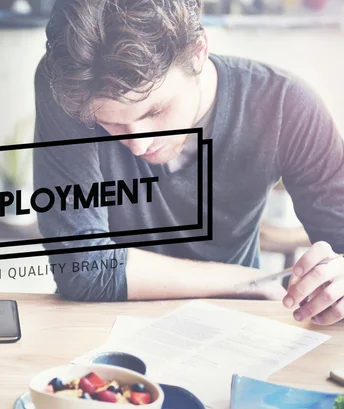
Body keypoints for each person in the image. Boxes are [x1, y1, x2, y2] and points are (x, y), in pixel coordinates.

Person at [32, 0, 344, 325]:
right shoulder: (72, 86)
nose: (138, 145)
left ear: (198, 52)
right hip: (104, 329)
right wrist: (242, 281)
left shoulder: (283, 104)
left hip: (237, 324)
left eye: (155, 111)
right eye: (106, 122)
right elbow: (82, 269)